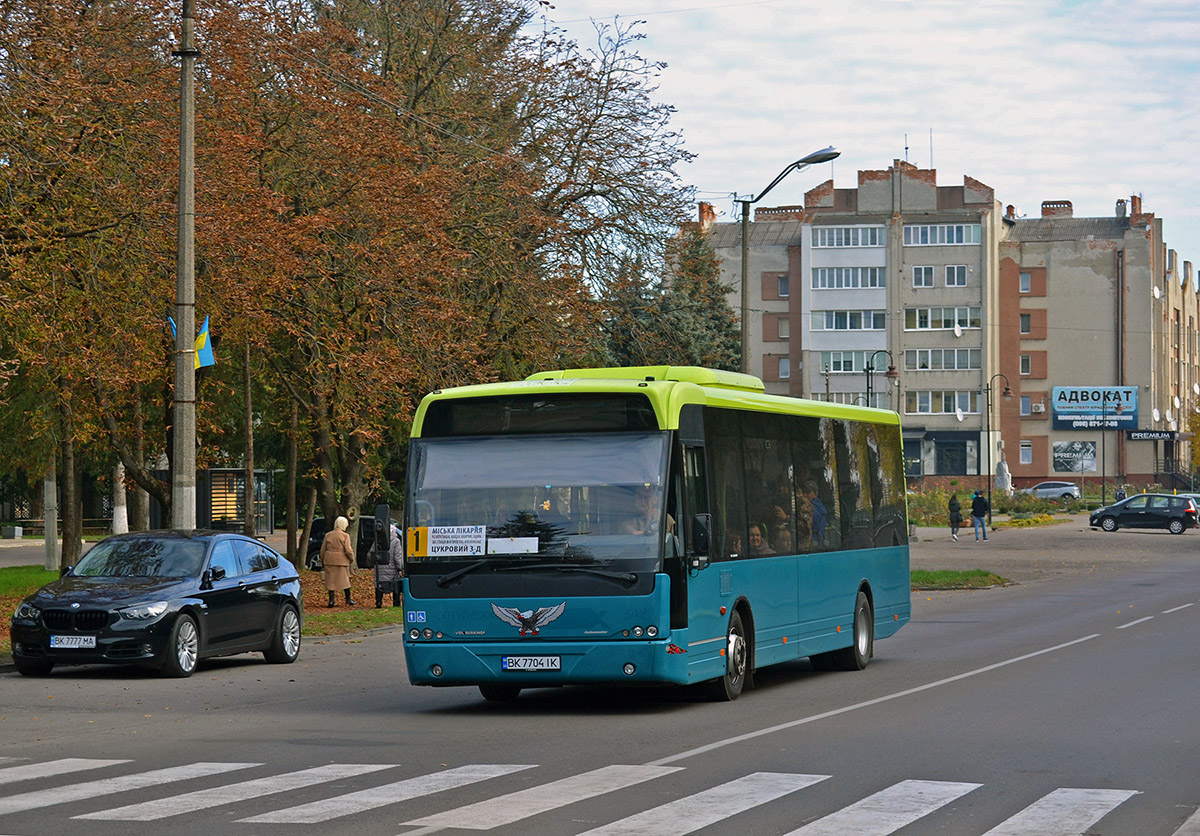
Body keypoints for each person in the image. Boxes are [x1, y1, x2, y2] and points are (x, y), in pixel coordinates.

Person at [320, 515, 357, 607]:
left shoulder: (328, 535)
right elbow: (348, 550)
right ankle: (348, 599)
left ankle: (331, 601)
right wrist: (351, 558)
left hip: (329, 560)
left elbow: (322, 550)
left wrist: (323, 560)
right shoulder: (345, 536)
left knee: (330, 581)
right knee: (345, 580)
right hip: (342, 561)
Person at [371, 522, 404, 608]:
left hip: (379, 568)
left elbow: (371, 553)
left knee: (379, 584)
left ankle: (378, 602)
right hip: (392, 569)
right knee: (394, 585)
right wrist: (400, 568)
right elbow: (397, 556)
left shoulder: (377, 540)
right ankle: (396, 603)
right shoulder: (396, 541)